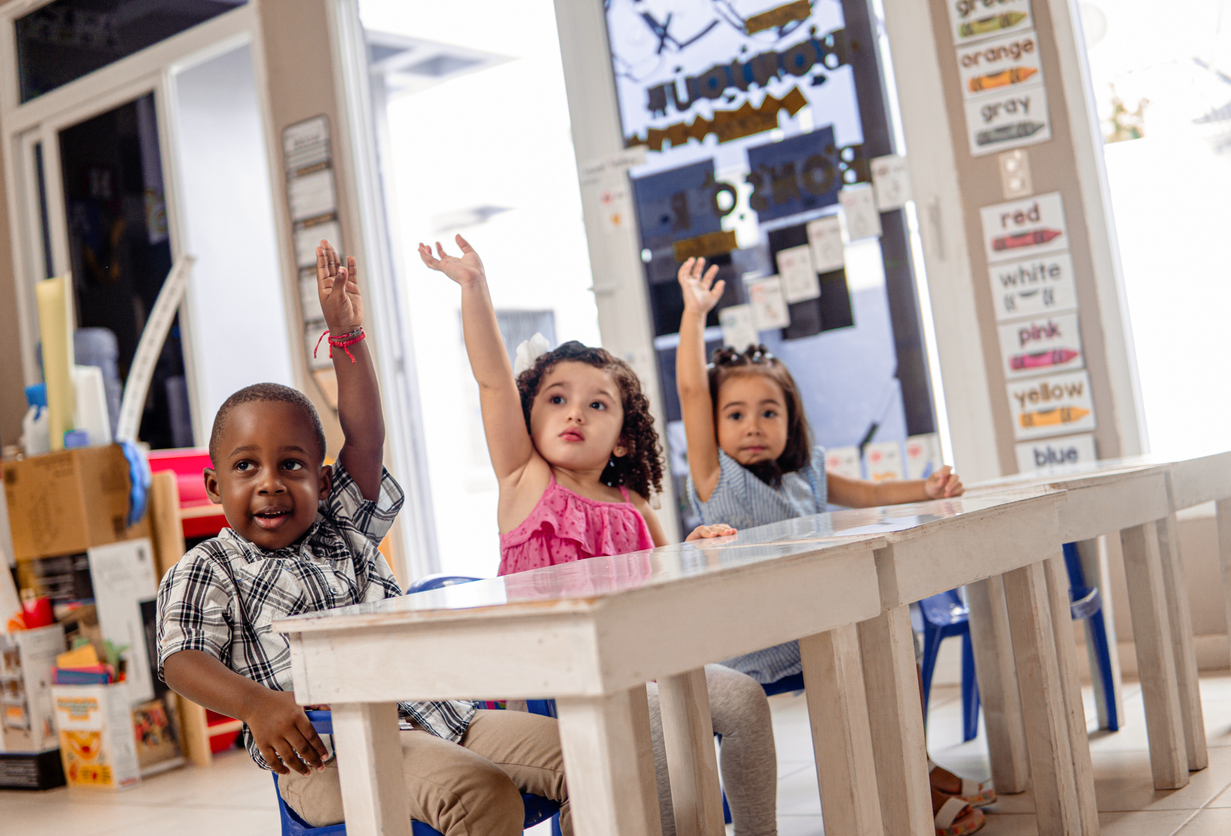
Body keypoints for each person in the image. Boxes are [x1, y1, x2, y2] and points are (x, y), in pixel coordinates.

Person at [157, 241, 571, 836]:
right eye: (246, 468)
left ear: (323, 482)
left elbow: (365, 439)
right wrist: (256, 705)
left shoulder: (343, 528)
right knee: (481, 794)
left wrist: (346, 335)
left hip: (440, 717)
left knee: (585, 753)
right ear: (214, 486)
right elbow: (181, 659)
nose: (270, 484)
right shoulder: (210, 567)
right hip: (324, 754)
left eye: (292, 466)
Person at [420, 236, 779, 836]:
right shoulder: (526, 481)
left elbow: (667, 583)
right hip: (555, 679)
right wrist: (474, 288)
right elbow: (490, 382)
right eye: (556, 399)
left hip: (642, 666)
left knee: (744, 699)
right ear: (529, 414)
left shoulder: (632, 504)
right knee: (662, 719)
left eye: (597, 404)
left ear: (622, 437)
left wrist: (692, 552)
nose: (574, 413)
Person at [674, 256, 989, 836]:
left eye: (770, 413)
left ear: (791, 422)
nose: (753, 426)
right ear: (713, 427)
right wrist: (694, 315)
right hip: (756, 642)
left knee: (898, 634)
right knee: (870, 647)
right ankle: (906, 785)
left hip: (811, 622)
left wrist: (925, 488)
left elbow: (869, 493)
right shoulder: (714, 478)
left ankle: (915, 765)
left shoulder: (807, 474)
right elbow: (692, 388)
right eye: (735, 414)